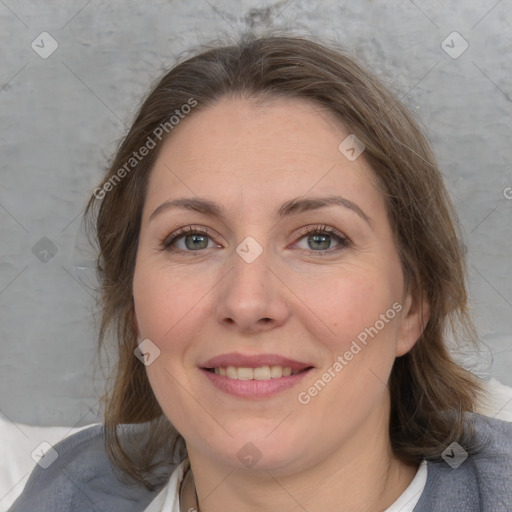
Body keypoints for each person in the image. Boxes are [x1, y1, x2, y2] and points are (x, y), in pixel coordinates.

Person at [9, 32, 512, 512]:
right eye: (193, 239)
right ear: (135, 305)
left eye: (320, 239)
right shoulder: (67, 488)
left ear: (412, 305)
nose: (248, 303)